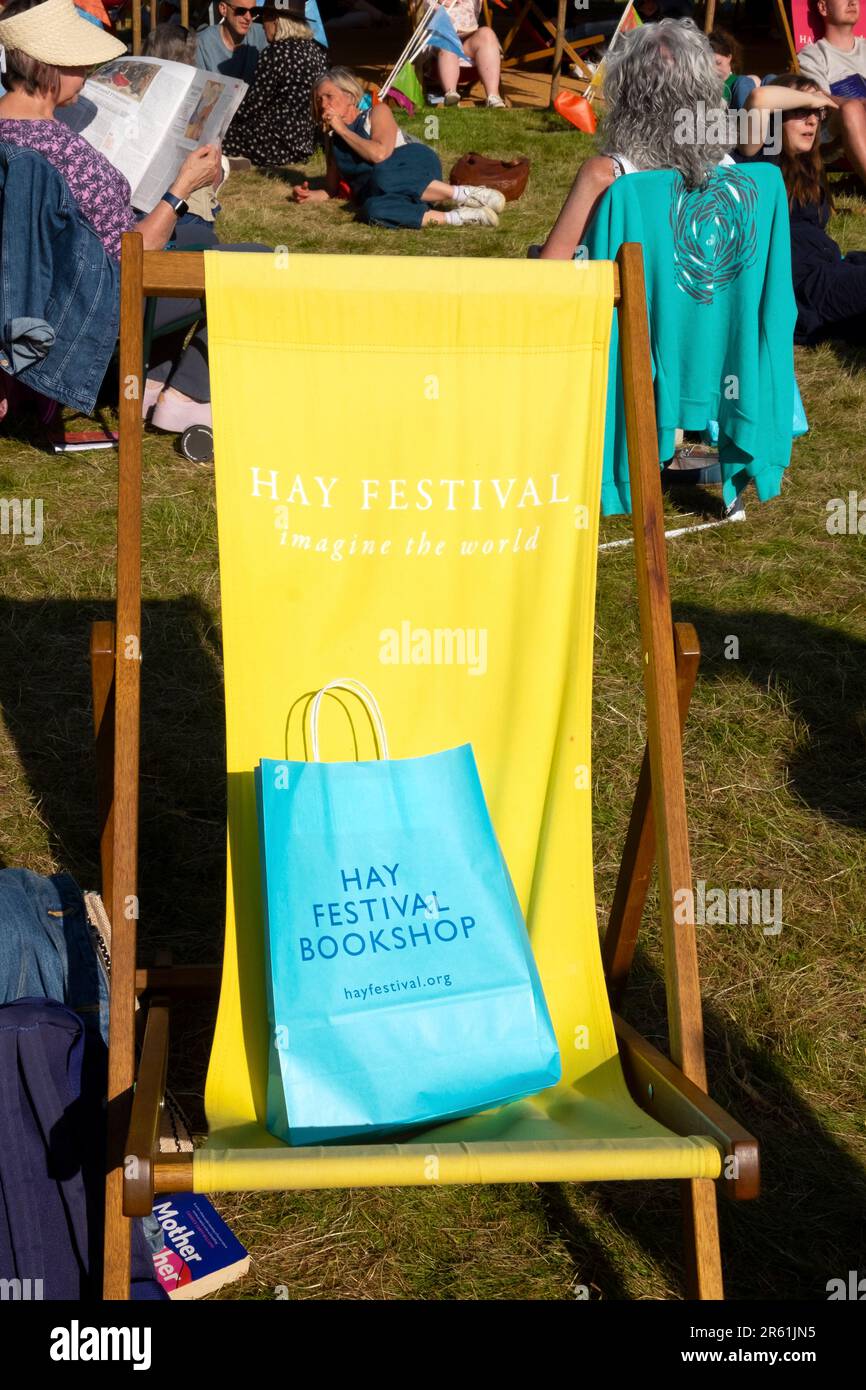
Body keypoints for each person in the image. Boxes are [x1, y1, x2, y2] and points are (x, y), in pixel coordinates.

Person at [0, 0, 241, 432]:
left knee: (199, 239)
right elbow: (134, 254)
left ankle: (148, 380)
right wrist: (183, 185)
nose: (91, 71)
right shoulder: (57, 151)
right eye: (80, 63)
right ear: (46, 68)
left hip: (46, 290)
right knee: (248, 265)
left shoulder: (18, 134)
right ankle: (185, 397)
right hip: (92, 301)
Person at [540, 18, 732, 258]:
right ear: (706, 90)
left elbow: (551, 270)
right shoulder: (729, 171)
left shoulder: (605, 176)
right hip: (703, 294)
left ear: (626, 97)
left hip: (627, 295)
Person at [738, 73, 866, 345]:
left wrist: (818, 103)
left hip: (832, 273)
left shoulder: (808, 169)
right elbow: (760, 98)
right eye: (800, 111)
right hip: (803, 289)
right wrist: (816, 97)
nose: (812, 120)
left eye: (816, 113)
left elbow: (846, 114)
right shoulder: (757, 159)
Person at [293, 66, 505, 227]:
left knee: (382, 174)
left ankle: (466, 194)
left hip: (412, 165)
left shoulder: (376, 112)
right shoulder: (333, 139)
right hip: (384, 191)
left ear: (350, 96)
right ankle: (460, 217)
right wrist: (310, 195)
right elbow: (331, 189)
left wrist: (343, 130)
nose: (323, 104)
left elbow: (380, 154)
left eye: (329, 96)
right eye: (318, 99)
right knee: (371, 210)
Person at [143, 22, 229, 230]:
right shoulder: (201, 99)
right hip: (187, 212)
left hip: (141, 204)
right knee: (218, 162)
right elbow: (213, 173)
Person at [223, 0, 326, 165]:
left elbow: (251, 106)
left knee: (218, 133)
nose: (263, 26)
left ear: (275, 20)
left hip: (276, 145)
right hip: (306, 143)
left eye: (264, 18)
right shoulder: (316, 51)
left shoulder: (276, 53)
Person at [796, 0, 866, 186]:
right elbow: (820, 99)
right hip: (831, 131)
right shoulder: (812, 56)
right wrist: (857, 103)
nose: (853, 2)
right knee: (851, 109)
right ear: (823, 8)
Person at [433, 0, 505, 108]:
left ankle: (493, 96)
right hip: (442, 37)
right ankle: (451, 93)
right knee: (448, 42)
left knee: (487, 34)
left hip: (468, 35)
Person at [195, 0, 269, 82]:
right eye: (241, 11)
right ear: (223, 9)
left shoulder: (263, 35)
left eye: (253, 11)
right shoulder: (203, 43)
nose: (248, 17)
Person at [708, 26, 761, 107]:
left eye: (718, 63)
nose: (714, 69)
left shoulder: (740, 82)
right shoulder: (706, 86)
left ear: (729, 57)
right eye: (709, 65)